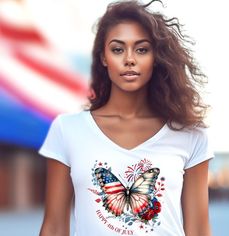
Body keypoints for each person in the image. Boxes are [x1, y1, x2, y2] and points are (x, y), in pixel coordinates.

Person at [39, 0, 214, 235]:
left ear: (156, 57)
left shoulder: (190, 134)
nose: (129, 59)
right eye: (118, 49)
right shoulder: (67, 130)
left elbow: (200, 230)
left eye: (141, 49)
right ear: (103, 57)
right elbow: (54, 227)